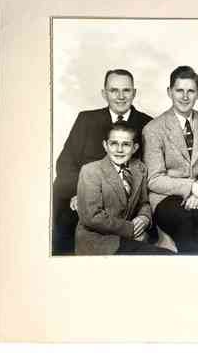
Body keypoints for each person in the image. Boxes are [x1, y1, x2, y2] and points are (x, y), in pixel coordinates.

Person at [53, 69, 152, 255]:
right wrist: (80, 193)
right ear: (104, 93)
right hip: (83, 194)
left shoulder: (148, 124)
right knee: (64, 216)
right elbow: (65, 163)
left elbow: (147, 169)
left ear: (134, 93)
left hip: (123, 199)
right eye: (114, 90)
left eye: (126, 90)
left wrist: (144, 216)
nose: (120, 96)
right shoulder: (86, 119)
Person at [142, 66, 198, 254]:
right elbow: (154, 179)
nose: (185, 97)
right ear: (170, 92)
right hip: (166, 197)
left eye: (190, 91)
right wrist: (191, 187)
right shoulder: (153, 129)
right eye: (179, 90)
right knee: (185, 222)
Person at [75, 123, 173, 255]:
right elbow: (92, 217)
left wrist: (144, 218)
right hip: (99, 242)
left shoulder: (139, 168)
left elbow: (143, 202)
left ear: (135, 148)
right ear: (105, 145)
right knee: (165, 256)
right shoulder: (91, 171)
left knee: (168, 255)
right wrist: (131, 229)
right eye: (113, 144)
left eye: (126, 144)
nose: (119, 150)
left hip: (128, 239)